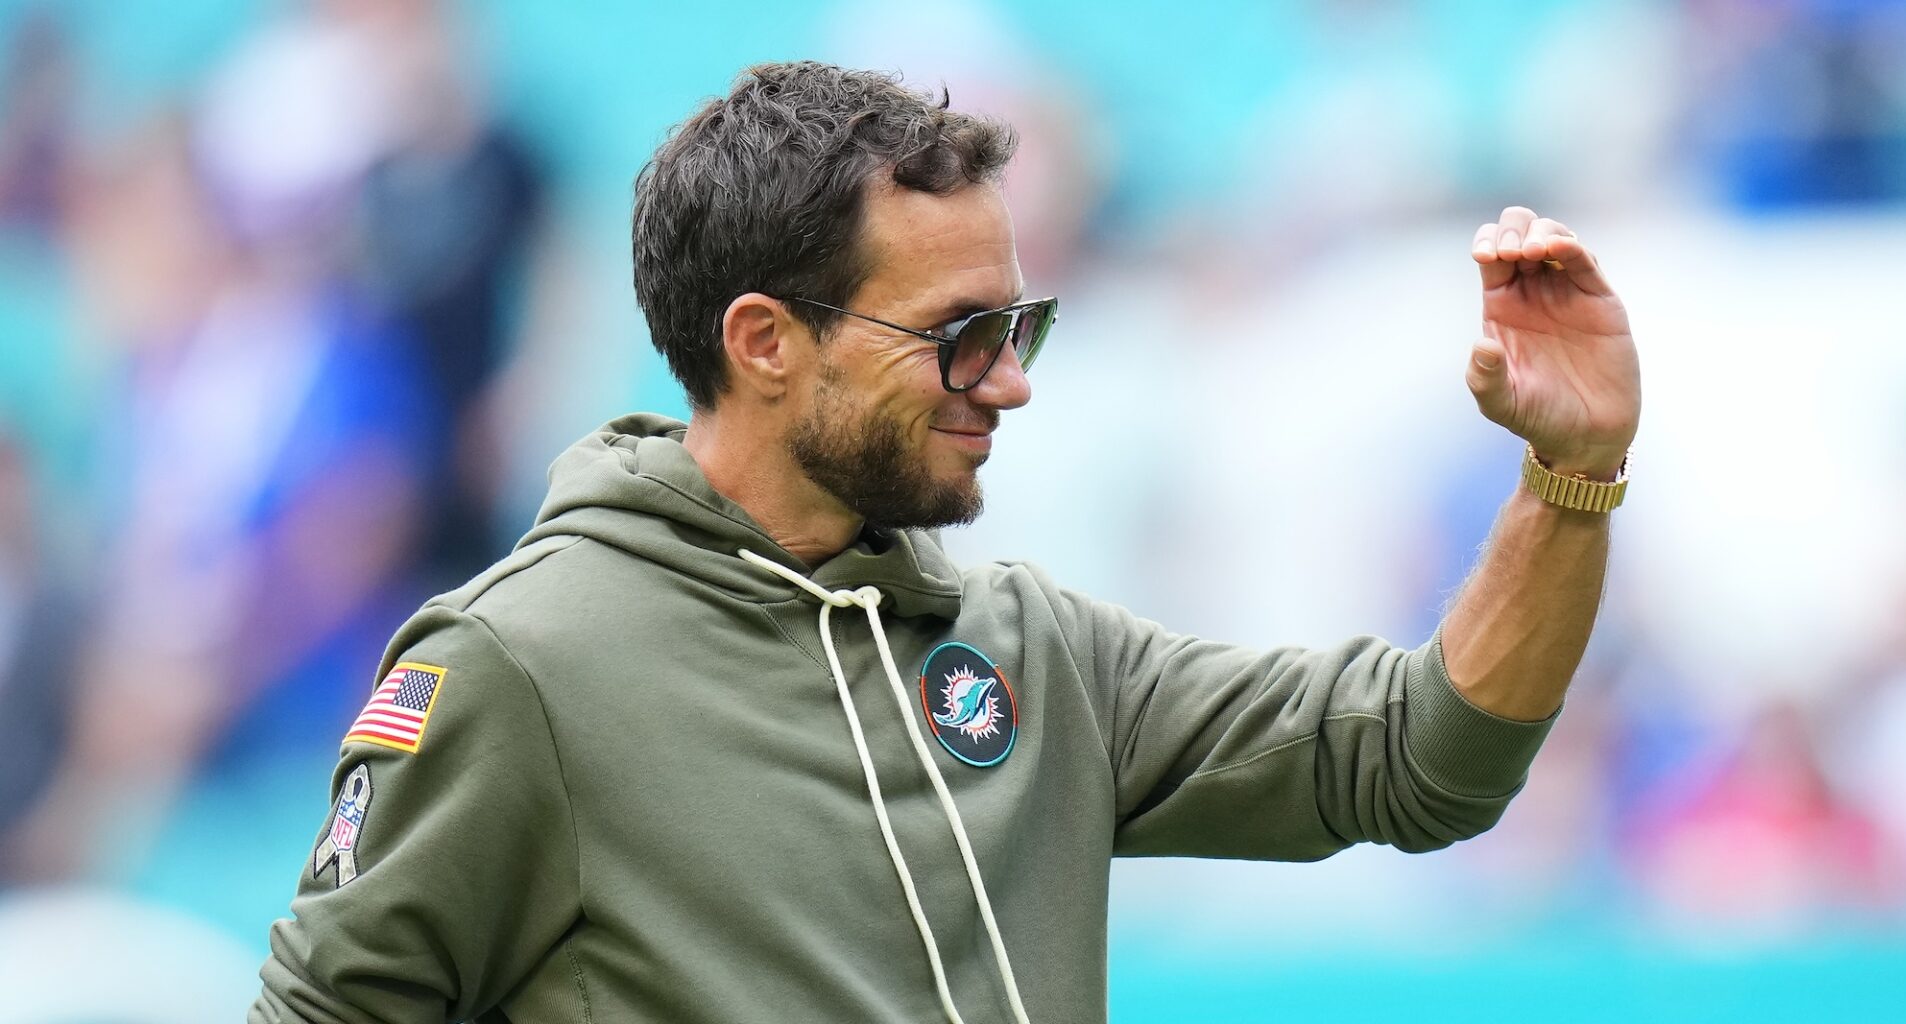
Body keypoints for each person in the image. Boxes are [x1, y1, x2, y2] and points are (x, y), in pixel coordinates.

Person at [251, 61, 1641, 1023]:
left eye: (1018, 328)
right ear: (764, 343)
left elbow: (1419, 762)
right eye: (961, 338)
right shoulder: (519, 663)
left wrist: (1569, 478)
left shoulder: (1034, 648)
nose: (1013, 381)